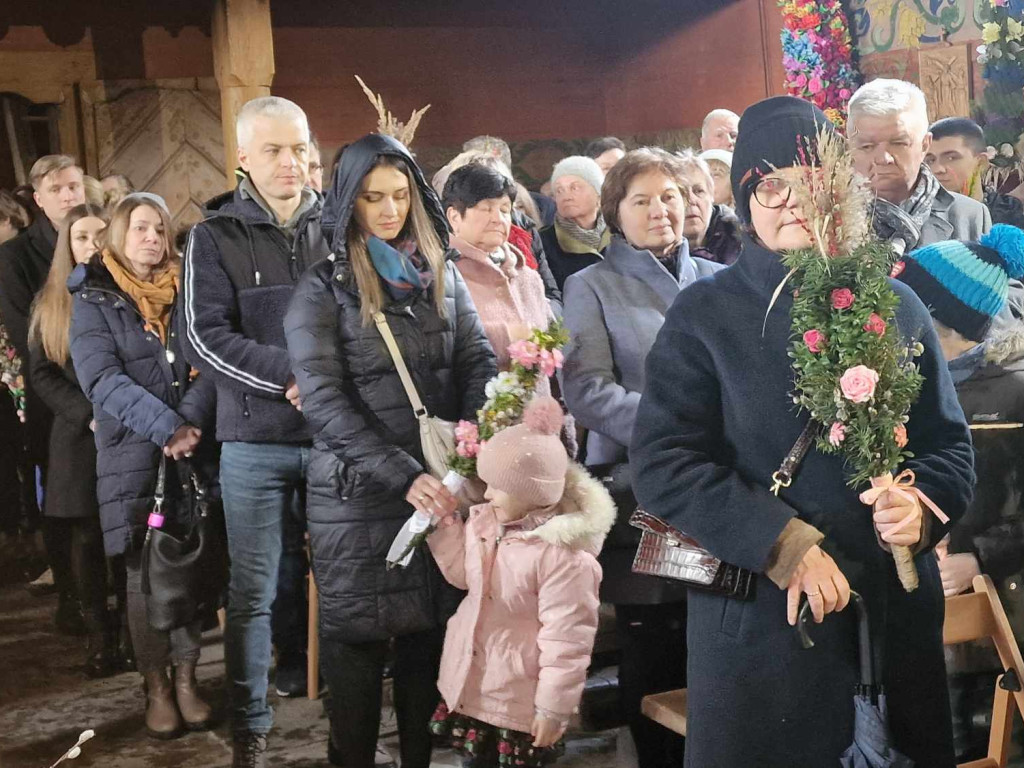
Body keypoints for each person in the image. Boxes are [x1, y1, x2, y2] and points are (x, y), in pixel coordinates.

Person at [630, 95, 975, 767]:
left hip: (891, 617)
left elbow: (947, 444)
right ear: (746, 197)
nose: (790, 202)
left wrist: (922, 505)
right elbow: (665, 462)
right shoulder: (706, 315)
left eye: (810, 181)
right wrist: (783, 545)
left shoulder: (898, 304)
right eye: (770, 185)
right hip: (766, 625)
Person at [285, 131, 496, 768]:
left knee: (426, 648)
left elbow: (476, 359)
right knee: (356, 658)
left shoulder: (441, 276)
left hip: (440, 490)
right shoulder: (321, 291)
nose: (389, 210)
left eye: (400, 195)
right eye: (373, 197)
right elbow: (324, 404)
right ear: (348, 201)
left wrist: (474, 435)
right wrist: (403, 475)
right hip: (358, 500)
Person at [562, 147, 723, 768]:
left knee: (710, 630)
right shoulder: (591, 285)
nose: (660, 210)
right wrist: (676, 429)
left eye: (671, 197)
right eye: (642, 200)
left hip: (719, 481)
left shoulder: (714, 278)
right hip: (643, 484)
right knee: (652, 639)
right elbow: (588, 389)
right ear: (615, 213)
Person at [180, 96, 328, 765]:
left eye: (297, 147)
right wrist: (293, 376)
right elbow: (202, 338)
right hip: (253, 444)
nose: (290, 162)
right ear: (242, 157)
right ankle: (252, 726)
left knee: (351, 585)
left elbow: (363, 325)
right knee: (253, 592)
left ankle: (345, 723)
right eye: (272, 150)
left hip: (334, 439)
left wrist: (324, 388)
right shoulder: (213, 236)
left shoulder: (338, 226)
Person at [69, 193, 216, 740]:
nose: (151, 239)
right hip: (133, 453)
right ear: (117, 235)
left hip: (192, 451)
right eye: (139, 229)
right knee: (143, 575)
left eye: (159, 229)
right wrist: (166, 427)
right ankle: (154, 685)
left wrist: (191, 424)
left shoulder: (189, 290)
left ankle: (187, 681)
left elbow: (209, 363)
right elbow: (100, 378)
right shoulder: (94, 297)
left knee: (189, 568)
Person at [426, 396, 614, 768]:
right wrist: (446, 528)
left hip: (521, 701)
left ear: (533, 493)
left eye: (498, 486)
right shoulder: (486, 523)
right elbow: (465, 577)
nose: (488, 494)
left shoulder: (564, 558)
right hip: (476, 683)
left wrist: (553, 707)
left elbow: (567, 640)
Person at [894, 225, 1024, 759]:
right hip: (916, 605)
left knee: (989, 737)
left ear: (932, 311)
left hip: (999, 610)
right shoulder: (896, 386)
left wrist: (979, 559)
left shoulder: (1012, 394)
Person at [28, 203, 115, 677]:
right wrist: (88, 414)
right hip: (78, 432)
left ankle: (132, 630)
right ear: (68, 246)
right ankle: (99, 637)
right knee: (85, 538)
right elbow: (42, 374)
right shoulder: (51, 303)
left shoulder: (128, 289)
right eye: (82, 236)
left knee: (128, 536)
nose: (93, 244)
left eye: (101, 234)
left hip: (125, 425)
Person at [0, 154, 86, 630]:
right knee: (58, 498)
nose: (69, 196)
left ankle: (104, 589)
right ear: (38, 199)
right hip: (49, 387)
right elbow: (23, 328)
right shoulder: (15, 256)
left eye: (74, 185)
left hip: (101, 385)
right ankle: (70, 596)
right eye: (57, 189)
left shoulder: (98, 237)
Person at [847, 79, 991, 255]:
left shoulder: (968, 215)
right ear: (849, 149)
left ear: (925, 144)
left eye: (898, 143)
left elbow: (1001, 280)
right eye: (867, 146)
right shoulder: (822, 223)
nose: (884, 158)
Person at [442, 164, 553, 369]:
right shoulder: (442, 278)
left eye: (504, 210)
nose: (498, 219)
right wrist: (507, 336)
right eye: (486, 208)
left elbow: (552, 340)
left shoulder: (527, 276)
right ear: (455, 217)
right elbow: (440, 349)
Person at [926, 117, 1024, 229]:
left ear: (981, 163)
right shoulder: (918, 217)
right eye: (930, 160)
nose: (938, 169)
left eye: (951, 158)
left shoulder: (1010, 217)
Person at [539, 156, 609, 293]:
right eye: (559, 191)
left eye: (575, 188)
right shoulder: (543, 242)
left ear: (598, 194)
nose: (566, 197)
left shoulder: (622, 234)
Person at [676, 150, 742, 266]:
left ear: (711, 195)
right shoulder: (657, 252)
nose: (691, 200)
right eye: (681, 193)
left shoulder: (741, 237)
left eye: (699, 191)